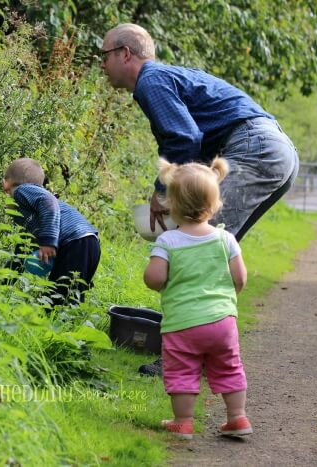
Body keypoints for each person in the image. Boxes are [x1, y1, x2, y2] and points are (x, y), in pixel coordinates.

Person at [100, 23, 299, 376]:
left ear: (125, 54)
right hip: (276, 151)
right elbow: (195, 141)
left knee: (195, 254)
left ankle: (179, 360)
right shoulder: (164, 78)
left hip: (255, 150)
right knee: (214, 255)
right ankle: (207, 352)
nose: (102, 63)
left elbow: (183, 138)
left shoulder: (151, 80)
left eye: (105, 55)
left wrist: (162, 194)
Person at [143, 157, 252, 439]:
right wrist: (227, 300)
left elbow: (154, 279)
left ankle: (183, 422)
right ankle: (237, 418)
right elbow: (240, 278)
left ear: (171, 205)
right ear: (215, 203)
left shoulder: (167, 241)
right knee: (229, 367)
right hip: (222, 322)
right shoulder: (225, 238)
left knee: (181, 372)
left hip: (183, 323)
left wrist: (160, 280)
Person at [3, 158, 101, 306]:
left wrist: (49, 241)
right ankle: (66, 326)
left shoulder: (22, 191)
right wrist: (1, 284)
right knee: (68, 298)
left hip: (75, 242)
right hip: (87, 243)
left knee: (57, 301)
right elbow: (22, 250)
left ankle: (55, 326)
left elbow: (48, 201)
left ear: (6, 182)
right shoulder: (34, 216)